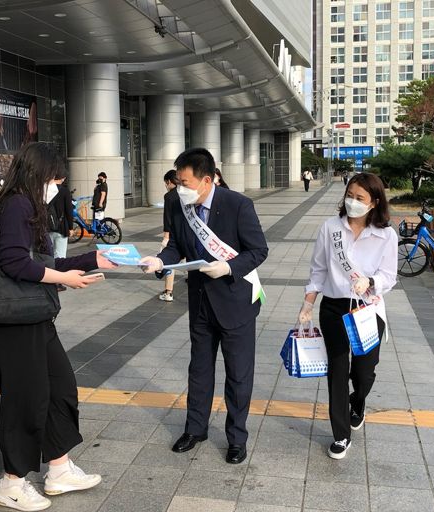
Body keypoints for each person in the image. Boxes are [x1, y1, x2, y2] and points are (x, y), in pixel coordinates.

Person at [0, 143, 118, 512]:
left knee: (60, 389)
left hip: (34, 320)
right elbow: (12, 262)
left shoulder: (27, 205)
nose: (57, 185)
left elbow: (41, 259)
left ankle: (58, 470)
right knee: (26, 400)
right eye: (55, 178)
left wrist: (93, 258)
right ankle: (11, 483)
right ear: (37, 173)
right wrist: (65, 279)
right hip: (12, 325)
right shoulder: (18, 205)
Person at [140, 148, 268, 464]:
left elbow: (258, 251)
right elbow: (175, 248)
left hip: (236, 301)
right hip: (199, 302)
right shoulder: (175, 203)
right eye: (177, 182)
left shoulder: (237, 205)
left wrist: (228, 267)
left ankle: (237, 438)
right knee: (199, 370)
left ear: (206, 180)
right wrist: (160, 260)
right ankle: (195, 429)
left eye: (185, 182)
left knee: (239, 375)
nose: (179, 188)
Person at [298, 172, 397, 460]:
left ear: (374, 202)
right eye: (350, 195)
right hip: (335, 308)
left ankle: (359, 402)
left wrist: (370, 281)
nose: (352, 202)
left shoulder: (386, 234)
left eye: (360, 198)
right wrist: (307, 304)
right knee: (338, 373)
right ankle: (341, 435)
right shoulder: (330, 228)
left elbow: (389, 275)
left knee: (364, 372)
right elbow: (318, 270)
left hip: (368, 309)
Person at [48, 175, 74, 291]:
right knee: (60, 255)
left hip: (47, 227)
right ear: (63, 177)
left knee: (49, 254)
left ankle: (49, 280)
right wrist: (71, 227)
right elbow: (69, 210)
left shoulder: (45, 190)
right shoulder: (64, 191)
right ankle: (57, 282)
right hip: (61, 227)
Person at [160, 169, 180, 302]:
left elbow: (167, 218)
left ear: (168, 181)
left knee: (170, 262)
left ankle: (168, 292)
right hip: (187, 234)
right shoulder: (185, 192)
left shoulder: (169, 196)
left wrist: (165, 237)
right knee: (191, 261)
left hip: (173, 235)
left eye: (165, 183)